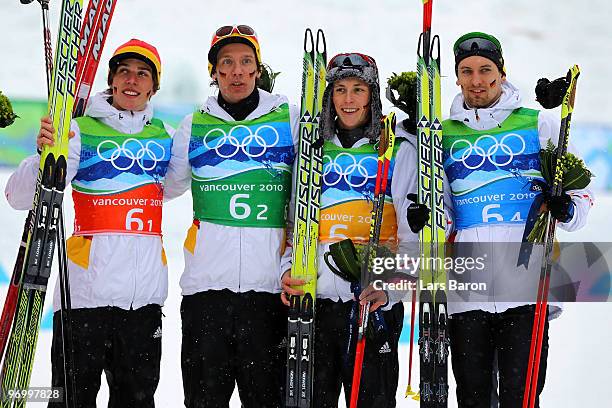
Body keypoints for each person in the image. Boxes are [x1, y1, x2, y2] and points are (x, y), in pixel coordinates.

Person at [5, 39, 174, 407]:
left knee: (137, 401)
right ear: (111, 80)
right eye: (124, 71)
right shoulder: (80, 130)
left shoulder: (165, 138)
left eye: (142, 73)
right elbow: (18, 196)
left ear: (153, 86)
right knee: (69, 399)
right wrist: (42, 154)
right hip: (84, 297)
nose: (132, 80)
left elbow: (181, 185)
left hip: (143, 302)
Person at [441, 32, 593, 407]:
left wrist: (567, 208)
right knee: (473, 398)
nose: (477, 80)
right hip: (467, 291)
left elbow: (580, 190)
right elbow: (439, 209)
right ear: (457, 77)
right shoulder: (443, 134)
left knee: (521, 397)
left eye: (486, 70)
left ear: (502, 73)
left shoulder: (537, 124)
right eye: (467, 71)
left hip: (526, 288)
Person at [164, 25, 299, 408]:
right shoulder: (194, 125)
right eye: (227, 63)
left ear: (258, 70)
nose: (236, 72)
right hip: (206, 293)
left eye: (245, 62)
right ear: (214, 72)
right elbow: (163, 187)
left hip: (269, 292)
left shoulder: (287, 119)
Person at [281, 53, 420, 408]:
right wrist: (288, 269)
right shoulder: (312, 151)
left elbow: (412, 232)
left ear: (372, 95)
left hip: (373, 305)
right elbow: (294, 225)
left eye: (358, 89)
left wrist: (392, 289)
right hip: (317, 304)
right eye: (340, 90)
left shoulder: (396, 151)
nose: (348, 99)